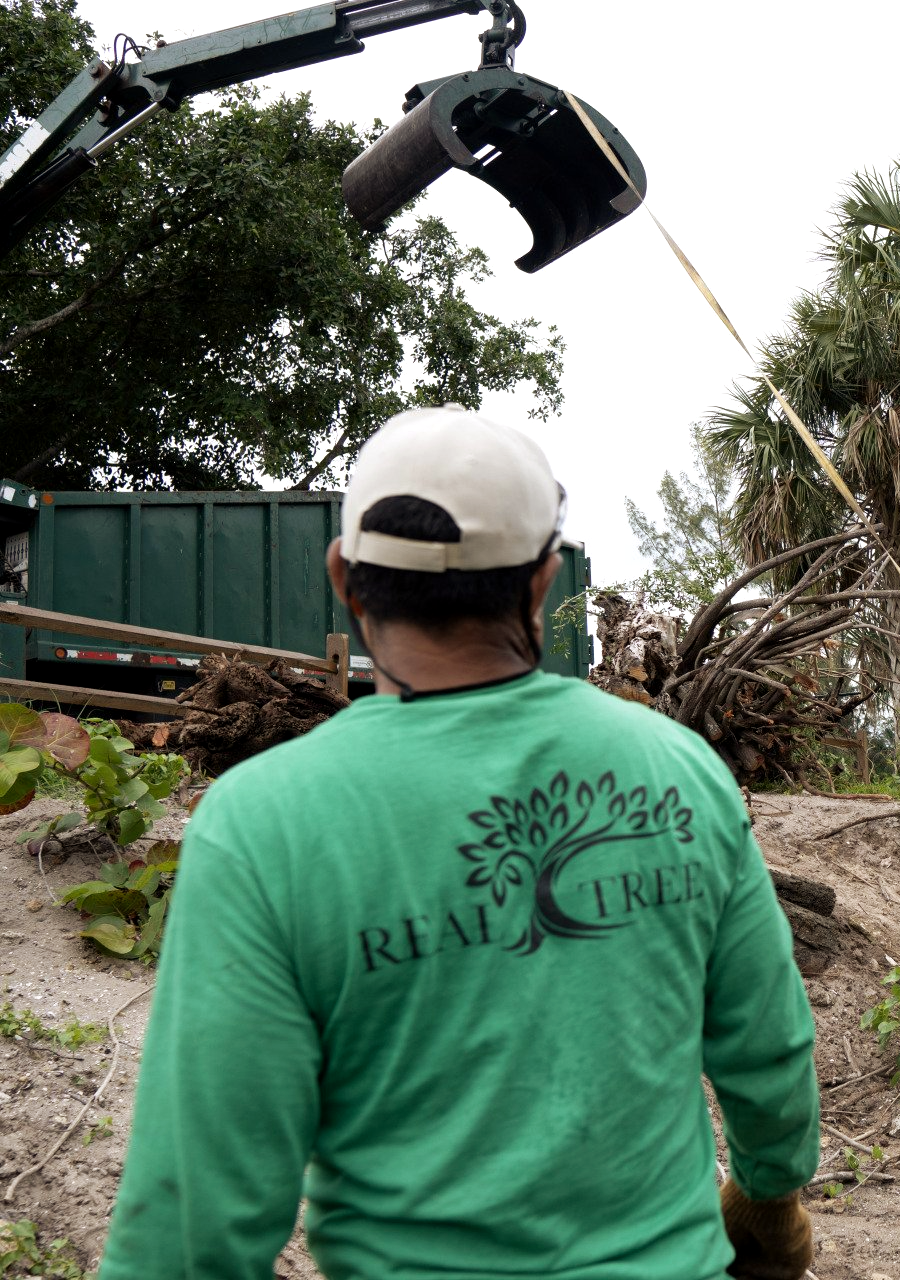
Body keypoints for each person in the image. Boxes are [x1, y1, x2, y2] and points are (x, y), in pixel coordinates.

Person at [100, 407, 819, 1280]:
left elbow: (192, 1217)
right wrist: (770, 1192)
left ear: (344, 579)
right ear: (543, 581)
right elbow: (766, 1041)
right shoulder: (677, 769)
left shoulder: (263, 823)